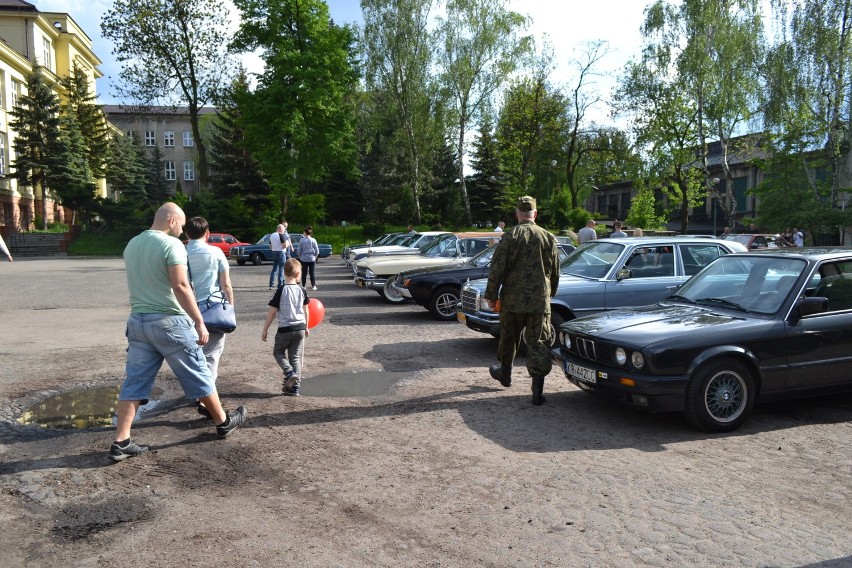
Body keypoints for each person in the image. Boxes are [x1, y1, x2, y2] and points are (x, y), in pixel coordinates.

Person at [111, 202, 247, 462]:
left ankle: (121, 441)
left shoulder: (132, 244)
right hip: (169, 321)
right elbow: (181, 285)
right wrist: (198, 320)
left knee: (135, 382)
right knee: (197, 370)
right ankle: (223, 422)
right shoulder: (171, 245)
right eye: (181, 224)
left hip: (138, 322)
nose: (182, 230)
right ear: (172, 220)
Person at [484, 196, 560, 406]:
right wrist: (550, 293)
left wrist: (491, 295)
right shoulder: (547, 237)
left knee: (508, 338)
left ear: (517, 213)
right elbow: (555, 270)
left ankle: (505, 375)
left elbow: (497, 269)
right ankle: (537, 391)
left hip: (512, 301)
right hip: (539, 302)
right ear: (535, 214)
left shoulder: (510, 236)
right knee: (539, 343)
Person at [185, 216, 234, 416]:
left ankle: (198, 392)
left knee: (194, 354)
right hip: (213, 308)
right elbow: (226, 284)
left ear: (186, 233)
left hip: (187, 309)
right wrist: (230, 307)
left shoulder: (181, 252)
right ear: (207, 233)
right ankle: (206, 398)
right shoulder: (216, 252)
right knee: (212, 355)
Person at [262, 258, 310, 396]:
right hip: (300, 327)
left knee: (278, 352)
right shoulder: (302, 289)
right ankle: (295, 389)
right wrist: (306, 326)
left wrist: (265, 329)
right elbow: (306, 310)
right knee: (294, 357)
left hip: (285, 329)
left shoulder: (281, 290)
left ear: (284, 273)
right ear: (298, 274)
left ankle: (289, 372)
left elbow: (272, 311)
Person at [268, 223, 290, 290]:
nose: (284, 231)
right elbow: (284, 245)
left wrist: (274, 248)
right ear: (280, 229)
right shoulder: (281, 235)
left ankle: (271, 285)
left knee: (274, 269)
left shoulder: (272, 235)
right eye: (283, 229)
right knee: (281, 268)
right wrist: (288, 243)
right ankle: (280, 285)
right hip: (281, 252)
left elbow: (270, 246)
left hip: (274, 252)